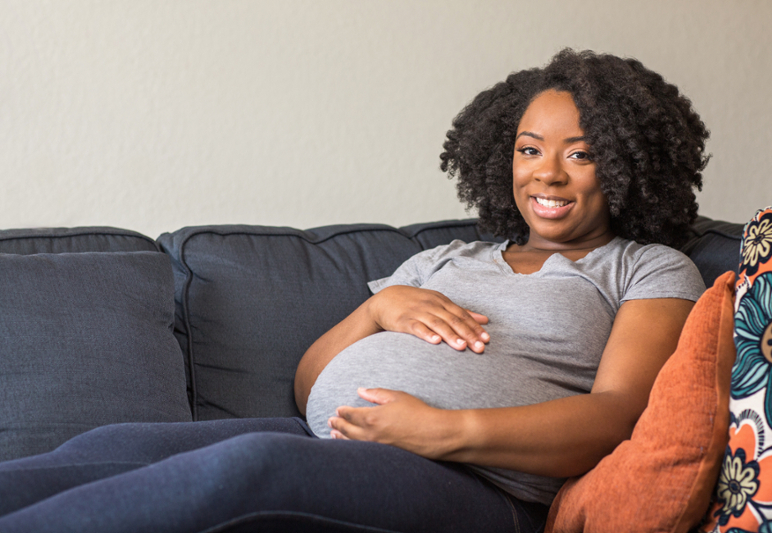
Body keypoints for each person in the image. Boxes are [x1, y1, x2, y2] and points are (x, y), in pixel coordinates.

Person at [0, 49, 709, 533]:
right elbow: (311, 386)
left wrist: (447, 431)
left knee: (246, 470)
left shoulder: (645, 268)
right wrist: (376, 309)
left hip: (485, 486)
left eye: (579, 154)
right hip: (342, 438)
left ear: (624, 163)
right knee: (117, 441)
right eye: (529, 149)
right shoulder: (449, 257)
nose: (547, 174)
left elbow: (619, 416)